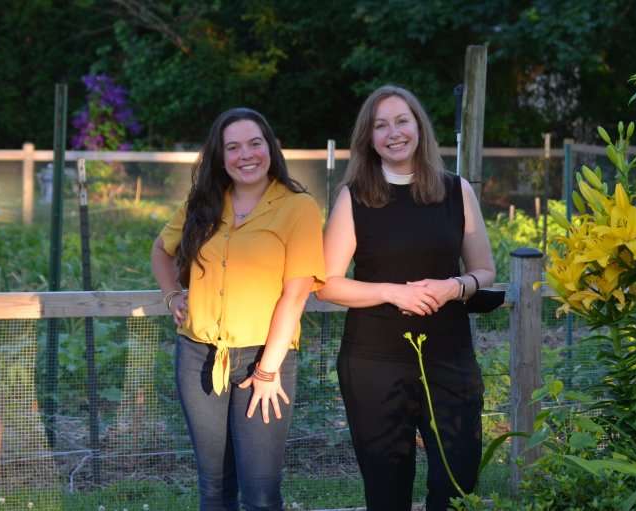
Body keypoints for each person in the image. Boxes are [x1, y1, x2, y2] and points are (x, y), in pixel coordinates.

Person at [316, 85, 496, 511]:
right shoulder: (354, 197)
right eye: (381, 126)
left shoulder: (457, 191)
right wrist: (390, 292)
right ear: (368, 138)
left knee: (458, 485)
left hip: (451, 360)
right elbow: (326, 282)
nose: (393, 133)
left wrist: (455, 286)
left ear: (419, 127)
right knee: (387, 493)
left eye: (401, 121)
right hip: (374, 363)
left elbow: (485, 271)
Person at [151, 107, 325, 511]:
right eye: (233, 147)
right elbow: (161, 250)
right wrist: (172, 295)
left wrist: (268, 370)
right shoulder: (203, 202)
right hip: (198, 355)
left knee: (261, 492)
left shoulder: (298, 208)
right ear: (220, 156)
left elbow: (295, 295)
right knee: (214, 487)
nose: (245, 155)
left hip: (264, 362)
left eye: (254, 143)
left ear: (270, 148)